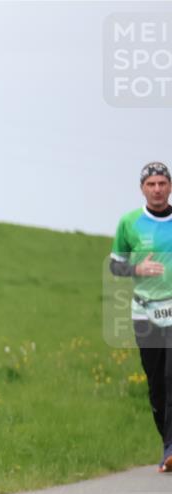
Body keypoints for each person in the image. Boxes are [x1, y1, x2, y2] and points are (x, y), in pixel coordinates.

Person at [110, 161, 172, 472]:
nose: (157, 189)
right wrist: (137, 268)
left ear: (170, 186)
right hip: (145, 313)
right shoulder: (129, 223)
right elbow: (114, 265)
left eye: (162, 183)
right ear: (142, 189)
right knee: (156, 384)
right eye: (151, 184)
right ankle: (167, 444)